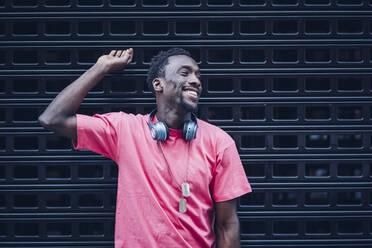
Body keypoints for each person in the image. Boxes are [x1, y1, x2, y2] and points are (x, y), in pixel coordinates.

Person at [39, 47, 252, 248]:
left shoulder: (219, 142)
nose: (195, 81)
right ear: (158, 84)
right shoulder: (124, 130)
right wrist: (101, 67)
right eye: (185, 73)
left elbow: (227, 224)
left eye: (198, 76)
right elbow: (53, 118)